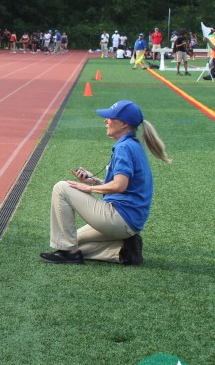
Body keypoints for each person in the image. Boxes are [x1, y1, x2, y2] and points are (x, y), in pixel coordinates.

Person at [42, 100, 171, 265]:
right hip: (130, 222)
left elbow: (120, 185)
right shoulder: (132, 145)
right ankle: (122, 251)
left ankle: (68, 253)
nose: (106, 121)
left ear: (123, 124)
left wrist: (88, 188)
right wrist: (94, 181)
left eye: (110, 117)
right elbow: (125, 185)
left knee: (61, 188)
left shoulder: (124, 148)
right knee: (74, 240)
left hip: (120, 218)